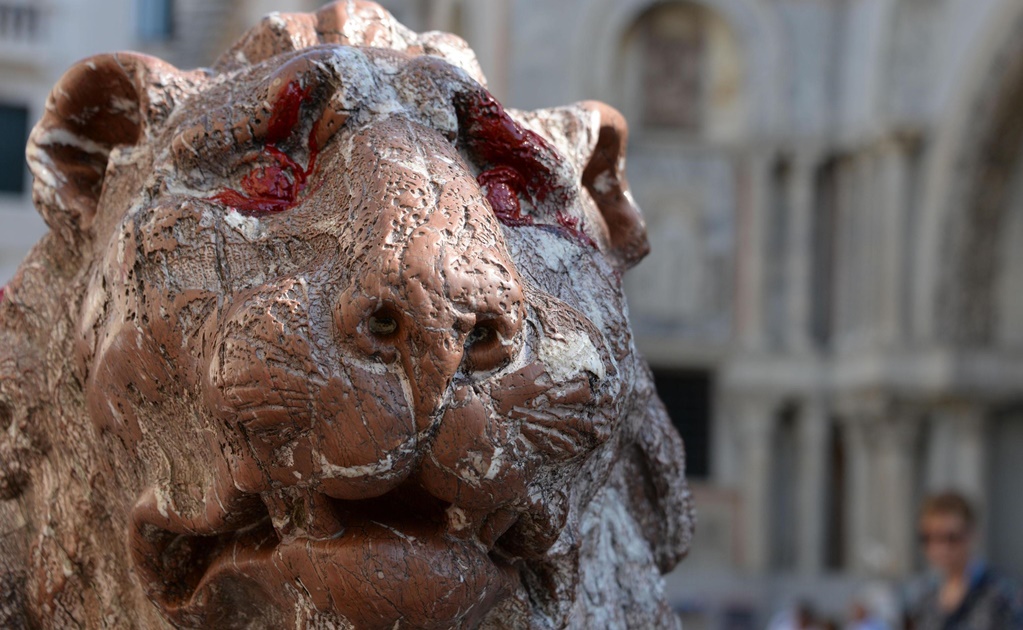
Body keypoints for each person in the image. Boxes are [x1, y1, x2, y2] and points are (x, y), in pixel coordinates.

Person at [905, 491, 1023, 629]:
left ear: (971, 534)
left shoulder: (1002, 592)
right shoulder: (921, 595)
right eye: (929, 538)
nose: (940, 548)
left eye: (951, 538)